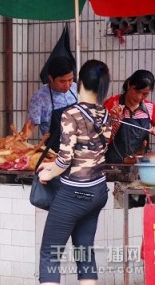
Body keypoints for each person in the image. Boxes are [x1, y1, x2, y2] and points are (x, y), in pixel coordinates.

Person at [36, 59, 112, 285]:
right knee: (84, 251)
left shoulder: (72, 113)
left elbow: (66, 158)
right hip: (98, 189)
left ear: (79, 82)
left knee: (50, 253)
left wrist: (47, 174)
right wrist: (51, 166)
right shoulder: (105, 114)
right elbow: (88, 154)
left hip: (75, 194)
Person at [24, 56, 78, 152]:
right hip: (57, 154)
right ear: (50, 78)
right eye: (62, 81)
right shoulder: (39, 98)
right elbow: (29, 127)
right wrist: (23, 136)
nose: (67, 85)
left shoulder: (75, 88)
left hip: (80, 150)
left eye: (70, 80)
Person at [104, 70, 155, 163]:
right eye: (137, 91)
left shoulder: (150, 108)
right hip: (114, 165)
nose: (139, 97)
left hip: (138, 165)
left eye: (145, 94)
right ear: (129, 85)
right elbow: (97, 135)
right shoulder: (112, 104)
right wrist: (110, 119)